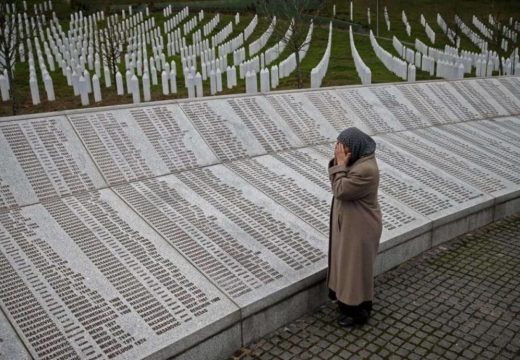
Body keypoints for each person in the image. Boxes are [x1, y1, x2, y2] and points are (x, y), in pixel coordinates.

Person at [327, 127, 382, 327]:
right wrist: (340, 163)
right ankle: (352, 305)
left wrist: (340, 164)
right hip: (352, 225)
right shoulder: (358, 161)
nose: (340, 151)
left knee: (355, 270)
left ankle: (357, 312)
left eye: (344, 148)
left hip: (360, 228)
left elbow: (340, 190)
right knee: (350, 268)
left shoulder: (365, 170)